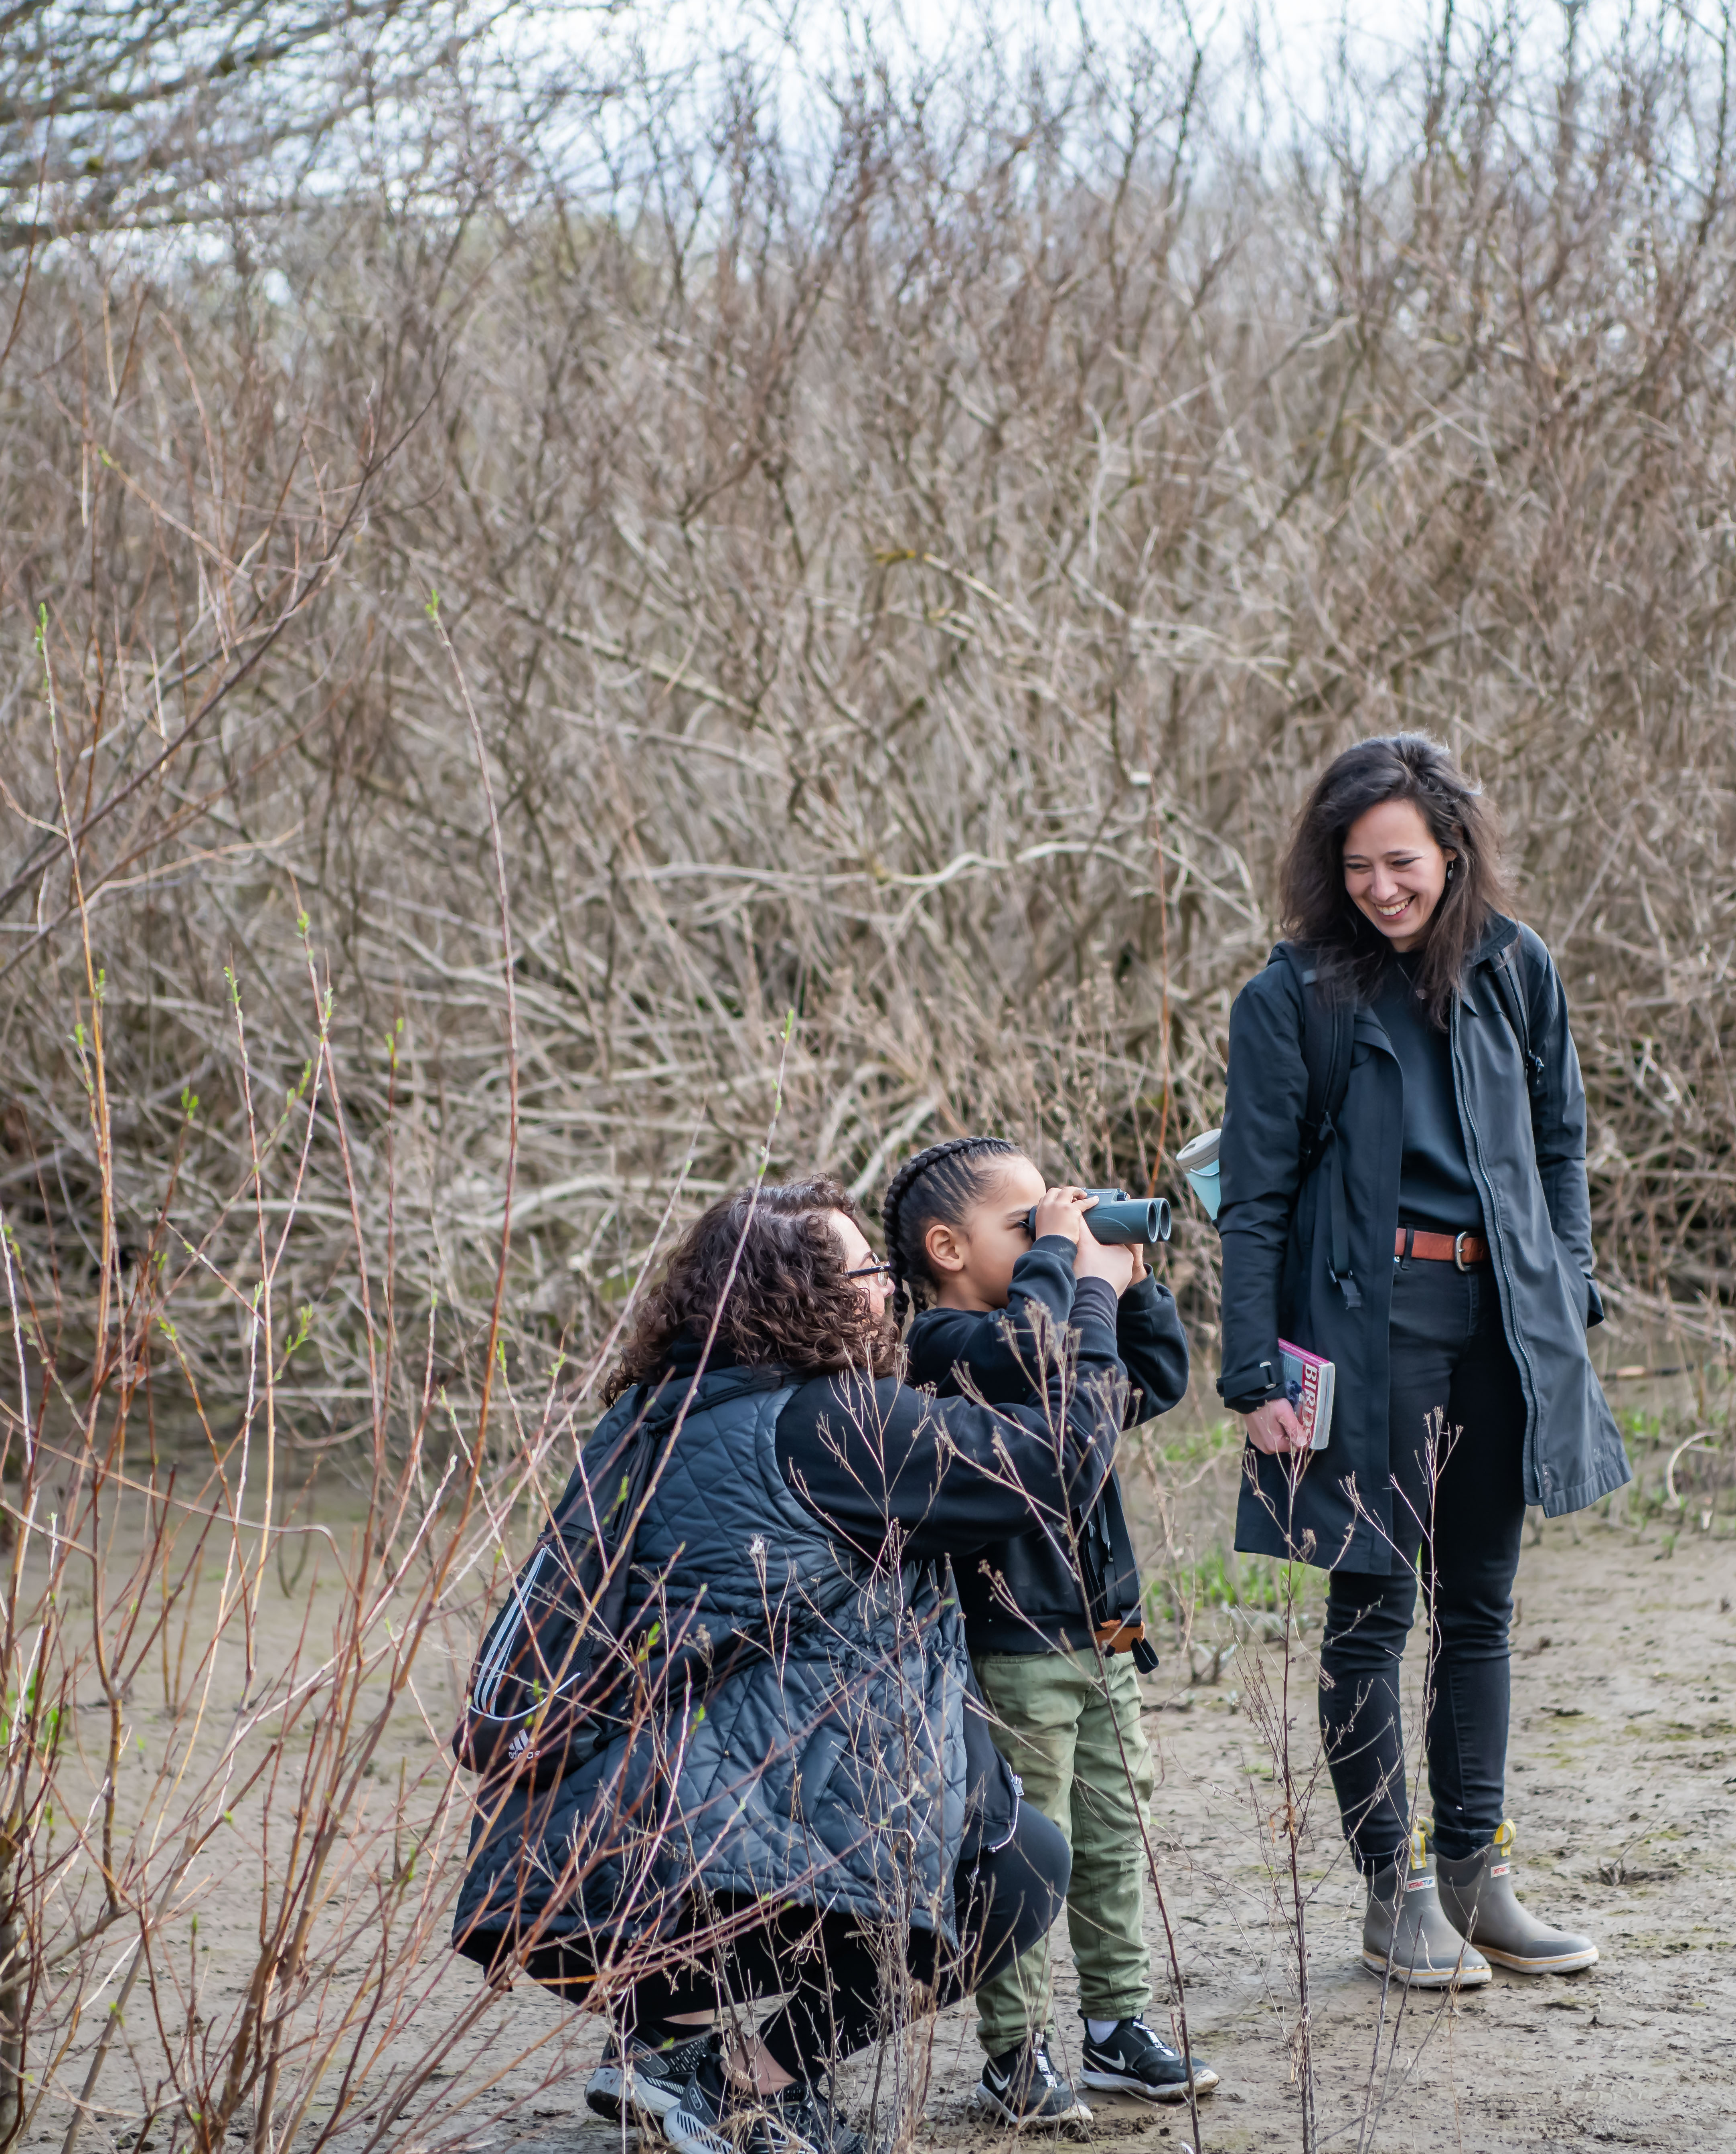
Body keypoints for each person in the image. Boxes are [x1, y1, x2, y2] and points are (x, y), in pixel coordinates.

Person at [449, 1177, 1135, 2154]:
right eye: (865, 1272)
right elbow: (1060, 1464)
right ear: (802, 1295)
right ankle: (747, 2085)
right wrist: (1088, 1286)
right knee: (1018, 1866)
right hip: (701, 1877)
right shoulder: (831, 1425)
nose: (888, 1291)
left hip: (566, 1877)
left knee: (757, 1764)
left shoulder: (648, 1417)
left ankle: (663, 2052)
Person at [1215, 734, 1629, 1988]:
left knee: (1481, 1609)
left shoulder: (1516, 967)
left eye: (1402, 862)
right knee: (1372, 1609)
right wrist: (1250, 1377)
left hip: (1501, 1317)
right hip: (1365, 1327)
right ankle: (1390, 1892)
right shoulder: (1290, 997)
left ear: (1452, 851)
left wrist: (1568, 1280)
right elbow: (1254, 1201)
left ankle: (1474, 1875)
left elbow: (1559, 1147)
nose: (1382, 888)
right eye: (1356, 867)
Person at [883, 1137, 1220, 2127]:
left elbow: (1148, 1381)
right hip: (1014, 1642)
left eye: (1056, 1221)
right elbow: (1028, 1350)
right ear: (948, 1247)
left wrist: (1133, 1289)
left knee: (1117, 1838)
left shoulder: (1062, 1324)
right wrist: (1075, 1275)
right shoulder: (942, 1346)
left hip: (1104, 1634)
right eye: (1028, 1226)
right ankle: (1014, 2050)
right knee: (1038, 1846)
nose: (1055, 1239)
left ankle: (1117, 2025)